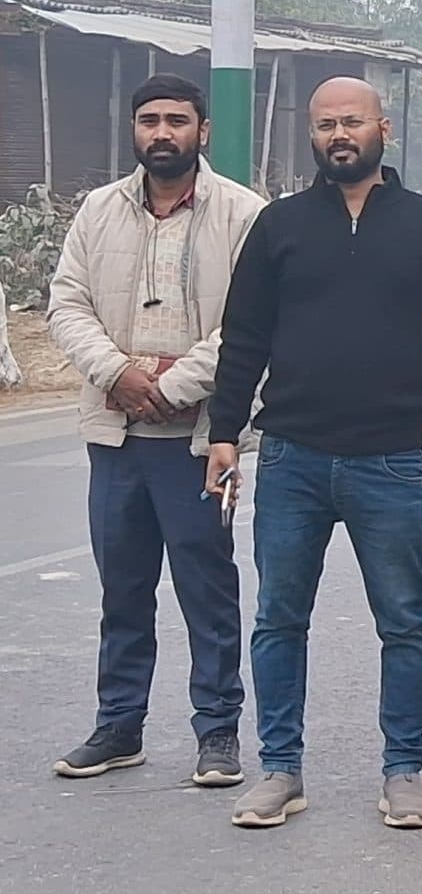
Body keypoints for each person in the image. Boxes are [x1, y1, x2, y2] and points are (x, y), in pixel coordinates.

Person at [206, 76, 422, 831]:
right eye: (325, 123)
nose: (339, 135)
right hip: (292, 454)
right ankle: (280, 770)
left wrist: (401, 369)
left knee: (404, 619)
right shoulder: (280, 226)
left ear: (381, 130)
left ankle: (402, 770)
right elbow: (245, 337)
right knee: (277, 618)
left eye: (351, 122)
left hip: (388, 458)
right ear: (312, 134)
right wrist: (225, 434)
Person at [45, 74, 264, 788]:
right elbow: (66, 303)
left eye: (176, 120)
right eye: (149, 120)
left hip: (199, 441)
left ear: (203, 131)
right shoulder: (99, 211)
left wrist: (171, 386)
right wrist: (117, 373)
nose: (161, 132)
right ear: (134, 131)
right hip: (114, 436)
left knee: (207, 590)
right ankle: (118, 727)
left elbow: (252, 325)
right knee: (123, 591)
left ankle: (218, 733)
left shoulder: (243, 214)